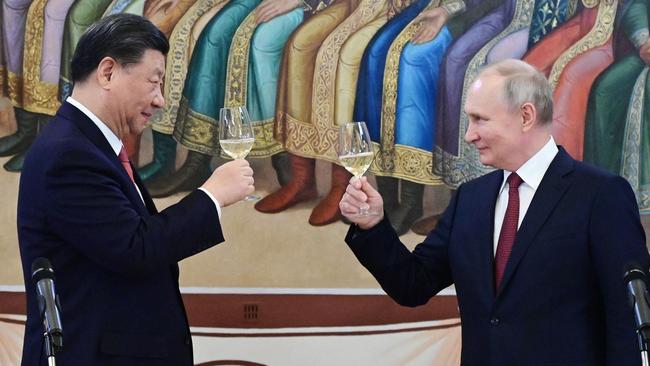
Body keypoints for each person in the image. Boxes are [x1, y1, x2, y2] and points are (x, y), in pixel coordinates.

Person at [340, 59, 649, 365]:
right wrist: (373, 225)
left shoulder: (600, 194)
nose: (468, 135)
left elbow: (628, 319)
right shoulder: (470, 200)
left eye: (479, 119)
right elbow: (413, 285)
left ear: (526, 115)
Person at [17, 14, 254, 366]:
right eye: (154, 82)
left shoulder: (90, 145)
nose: (160, 100)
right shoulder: (68, 153)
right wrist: (212, 196)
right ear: (108, 72)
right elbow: (135, 247)